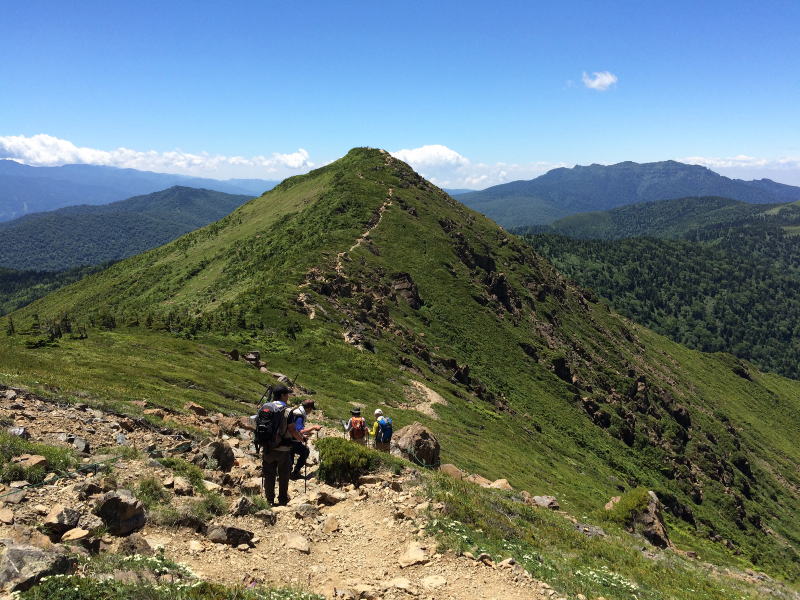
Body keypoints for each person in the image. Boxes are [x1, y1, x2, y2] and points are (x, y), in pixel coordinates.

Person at [259, 384, 293, 506]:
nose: (288, 396)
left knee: (269, 474)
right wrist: (300, 438)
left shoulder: (265, 407)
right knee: (284, 474)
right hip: (283, 448)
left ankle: (269, 500)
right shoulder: (288, 410)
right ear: (283, 395)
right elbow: (292, 429)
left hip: (267, 447)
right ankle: (283, 499)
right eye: (287, 394)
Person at [287, 398, 322, 480]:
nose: (311, 412)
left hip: (287, 438)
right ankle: (296, 472)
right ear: (309, 408)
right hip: (293, 439)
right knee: (305, 451)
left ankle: (287, 473)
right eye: (311, 409)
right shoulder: (300, 415)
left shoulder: (296, 410)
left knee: (290, 456)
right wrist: (313, 427)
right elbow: (300, 430)